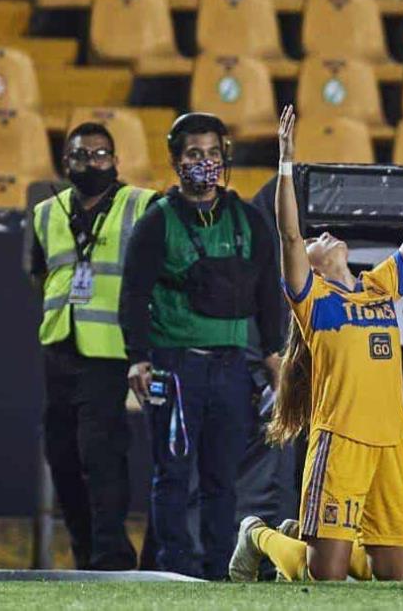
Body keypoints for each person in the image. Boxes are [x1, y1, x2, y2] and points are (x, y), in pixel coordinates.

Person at [229, 99, 403, 582]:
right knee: (326, 578)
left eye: (324, 236)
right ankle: (258, 534)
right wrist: (286, 162)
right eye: (318, 240)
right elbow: (290, 234)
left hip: (390, 442)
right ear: (312, 264)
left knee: (398, 577)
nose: (323, 235)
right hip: (340, 442)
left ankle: (314, 534)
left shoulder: (380, 286)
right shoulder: (312, 299)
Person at [119, 112, 283, 580]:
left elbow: (267, 293)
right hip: (176, 367)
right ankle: (174, 571)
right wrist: (138, 357)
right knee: (172, 476)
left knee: (221, 480)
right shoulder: (158, 223)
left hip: (232, 370)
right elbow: (133, 294)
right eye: (194, 154)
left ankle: (218, 571)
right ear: (175, 160)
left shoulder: (248, 220)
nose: (205, 163)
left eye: (213, 153)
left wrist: (272, 355)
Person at [27, 122, 157, 570]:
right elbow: (38, 273)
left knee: (100, 452)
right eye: (81, 156)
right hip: (60, 345)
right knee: (61, 454)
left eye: (100, 155)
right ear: (66, 164)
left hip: (108, 349)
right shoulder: (46, 212)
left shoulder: (140, 205)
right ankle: (86, 551)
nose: (91, 163)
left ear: (116, 161)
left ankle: (110, 555)